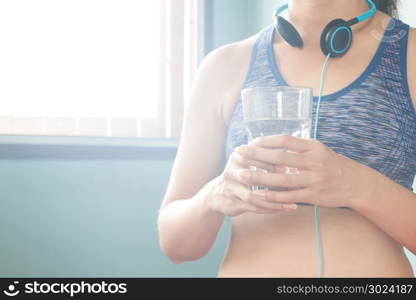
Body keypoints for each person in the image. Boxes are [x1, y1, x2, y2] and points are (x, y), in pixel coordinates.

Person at [157, 0, 416, 277]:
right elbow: (177, 246)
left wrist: (354, 184)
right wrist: (215, 194)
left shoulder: (408, 53)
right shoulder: (223, 65)